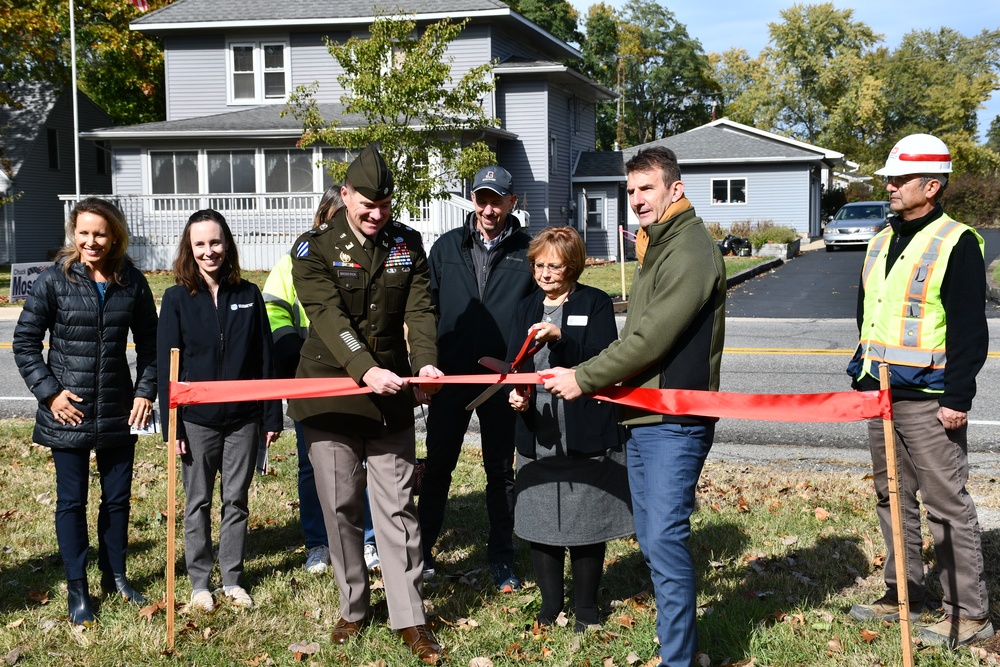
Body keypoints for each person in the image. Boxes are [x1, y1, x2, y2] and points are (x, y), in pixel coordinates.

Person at [543, 146, 726, 667]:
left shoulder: (689, 250)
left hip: (674, 419)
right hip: (645, 416)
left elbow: (649, 339)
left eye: (647, 188)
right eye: (631, 190)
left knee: (665, 541)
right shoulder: (658, 246)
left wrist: (583, 377)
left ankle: (678, 660)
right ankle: (678, 650)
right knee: (651, 541)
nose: (637, 199)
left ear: (676, 189)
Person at [288, 144, 445, 664]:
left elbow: (420, 309)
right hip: (331, 396)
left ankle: (410, 617)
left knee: (397, 508)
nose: (375, 215)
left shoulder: (408, 245)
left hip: (391, 400)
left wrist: (423, 363)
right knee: (339, 505)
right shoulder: (313, 250)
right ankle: (354, 606)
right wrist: (365, 369)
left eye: (384, 205)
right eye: (366, 204)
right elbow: (327, 317)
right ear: (346, 195)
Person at [846, 134, 994, 648]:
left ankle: (969, 615)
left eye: (899, 179)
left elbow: (972, 330)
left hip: (932, 397)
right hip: (881, 390)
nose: (888, 186)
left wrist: (958, 397)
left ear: (932, 186)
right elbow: (868, 313)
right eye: (888, 178)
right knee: (891, 498)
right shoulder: (881, 240)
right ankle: (903, 593)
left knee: (946, 503)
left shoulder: (957, 242)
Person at [13, 197, 158, 624]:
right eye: (84, 232)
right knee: (71, 502)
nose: (91, 241)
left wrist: (144, 391)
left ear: (114, 235)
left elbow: (150, 343)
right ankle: (78, 589)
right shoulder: (53, 281)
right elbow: (25, 344)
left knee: (117, 500)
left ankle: (115, 577)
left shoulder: (131, 280)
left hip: (118, 408)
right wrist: (50, 394)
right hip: (68, 412)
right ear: (73, 234)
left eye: (100, 233)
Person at [506, 226, 632, 631]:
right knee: (541, 519)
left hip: (583, 426)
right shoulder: (525, 307)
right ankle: (548, 607)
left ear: (573, 266)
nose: (544, 273)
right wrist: (518, 396)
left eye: (554, 266)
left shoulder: (594, 303)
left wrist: (561, 339)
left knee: (585, 520)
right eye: (539, 265)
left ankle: (587, 610)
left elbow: (601, 361)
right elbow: (514, 364)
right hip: (537, 429)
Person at [157, 209, 282, 611]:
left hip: (243, 419)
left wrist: (270, 415)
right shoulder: (176, 298)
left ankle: (232, 578)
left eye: (215, 242)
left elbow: (265, 358)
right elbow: (167, 365)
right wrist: (171, 427)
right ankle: (198, 583)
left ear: (227, 245)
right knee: (197, 503)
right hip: (195, 421)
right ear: (189, 249)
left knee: (236, 499)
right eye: (200, 244)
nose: (209, 251)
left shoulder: (249, 294)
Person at [418, 164, 536, 591]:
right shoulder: (446, 247)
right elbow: (424, 312)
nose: (488, 208)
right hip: (451, 378)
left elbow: (540, 311)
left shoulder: (529, 250)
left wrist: (525, 372)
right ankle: (422, 552)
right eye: (481, 199)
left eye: (497, 200)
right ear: (473, 200)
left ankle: (502, 559)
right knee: (437, 469)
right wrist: (425, 365)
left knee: (500, 473)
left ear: (511, 202)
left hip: (502, 383)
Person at [263, 186, 380, 575]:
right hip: (310, 378)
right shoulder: (293, 262)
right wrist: (294, 353)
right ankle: (317, 542)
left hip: (358, 378)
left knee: (362, 461)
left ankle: (366, 539)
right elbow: (274, 309)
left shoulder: (367, 262)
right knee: (311, 465)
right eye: (331, 220)